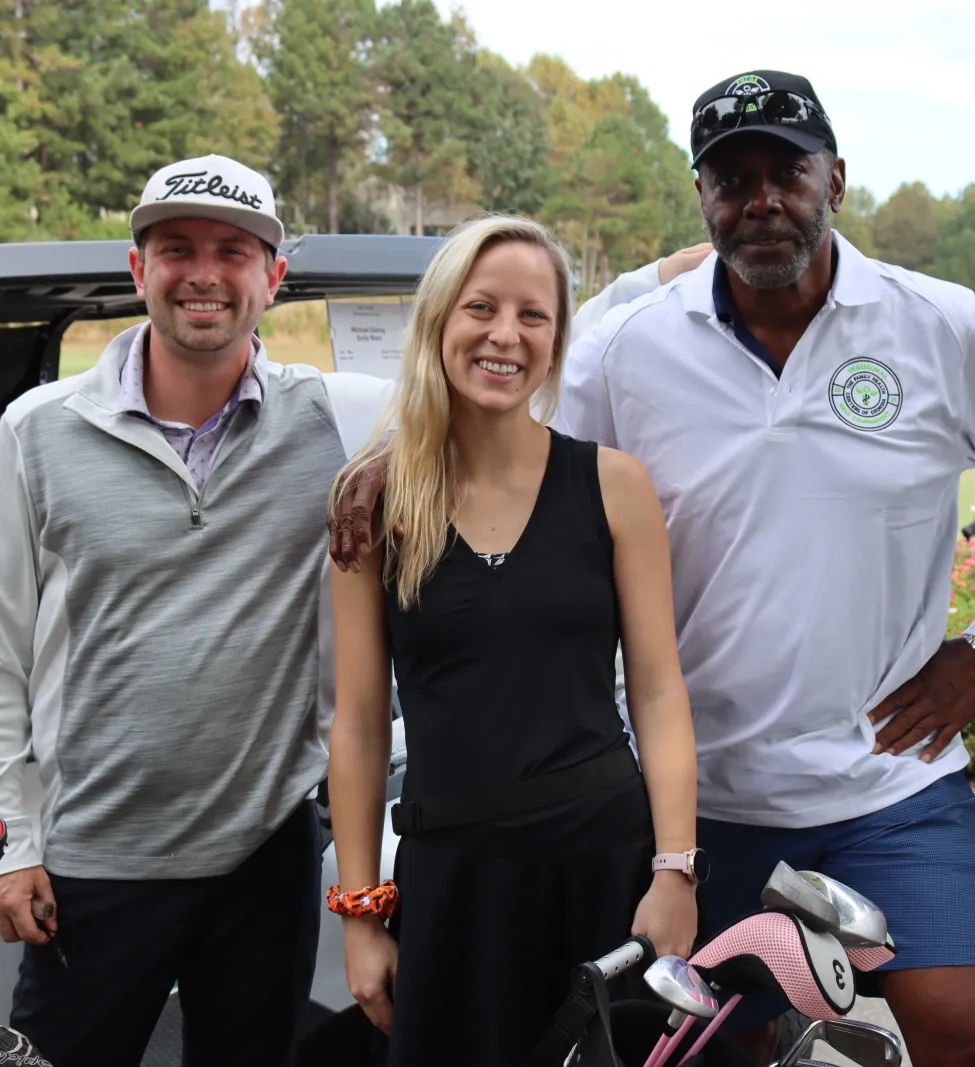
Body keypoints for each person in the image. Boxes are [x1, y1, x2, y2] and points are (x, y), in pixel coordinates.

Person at [329, 70, 975, 1067]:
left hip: (892, 784)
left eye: (787, 170)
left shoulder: (937, 325)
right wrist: (389, 458)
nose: (762, 199)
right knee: (689, 1054)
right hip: (700, 804)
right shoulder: (628, 349)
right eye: (730, 177)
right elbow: (502, 421)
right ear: (701, 198)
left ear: (836, 177)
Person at [0, 153, 394, 1067]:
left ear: (272, 278)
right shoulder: (40, 429)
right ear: (136, 268)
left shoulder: (337, 420)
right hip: (90, 864)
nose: (204, 272)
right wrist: (5, 838)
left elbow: (498, 376)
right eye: (177, 247)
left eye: (234, 251)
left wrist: (659, 275)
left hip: (264, 854)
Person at [324, 214, 701, 1067]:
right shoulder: (372, 502)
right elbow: (356, 723)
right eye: (481, 307)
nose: (506, 335)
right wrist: (360, 914)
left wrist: (674, 870)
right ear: (438, 322)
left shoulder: (613, 486)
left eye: (534, 315)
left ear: (560, 338)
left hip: (602, 867)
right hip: (453, 883)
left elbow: (658, 691)